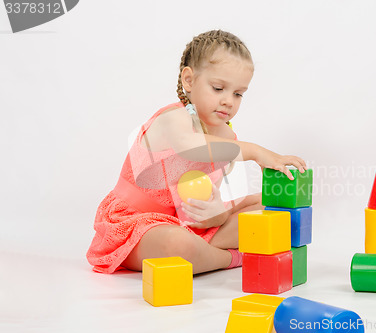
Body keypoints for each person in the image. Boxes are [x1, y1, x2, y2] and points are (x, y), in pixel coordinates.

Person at [86, 30, 307, 274]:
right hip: (136, 223)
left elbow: (203, 204)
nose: (228, 101)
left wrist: (217, 215)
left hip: (184, 222)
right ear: (189, 80)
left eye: (238, 93)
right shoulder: (174, 118)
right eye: (218, 88)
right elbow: (190, 146)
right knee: (177, 243)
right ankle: (229, 258)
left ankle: (205, 250)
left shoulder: (226, 136)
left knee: (271, 208)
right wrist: (254, 151)